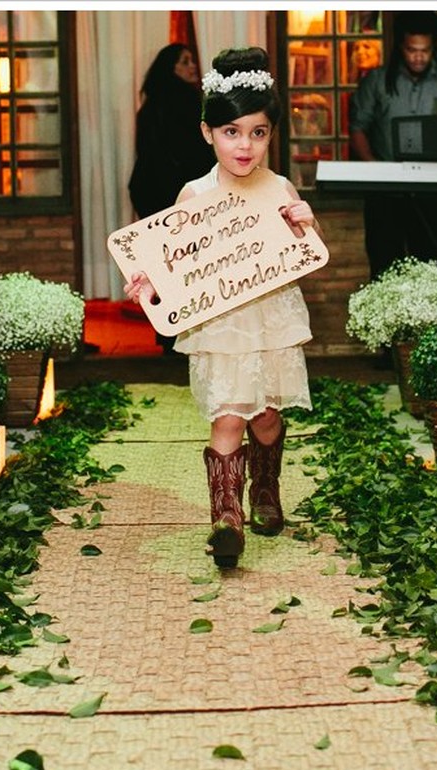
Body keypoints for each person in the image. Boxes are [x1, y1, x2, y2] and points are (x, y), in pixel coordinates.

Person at [122, 47, 320, 569]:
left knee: (267, 419)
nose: (245, 145)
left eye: (257, 132)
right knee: (229, 417)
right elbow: (173, 262)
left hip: (271, 319)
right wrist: (148, 281)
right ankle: (226, 519)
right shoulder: (194, 193)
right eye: (231, 132)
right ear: (208, 133)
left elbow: (307, 254)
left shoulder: (279, 187)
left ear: (271, 134)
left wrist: (306, 221)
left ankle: (266, 491)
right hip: (223, 325)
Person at [350, 11, 437, 276]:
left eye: (425, 50)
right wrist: (374, 167)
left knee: (431, 269)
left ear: (434, 46)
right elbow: (357, 128)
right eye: (412, 50)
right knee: (383, 266)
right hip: (384, 193)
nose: (419, 57)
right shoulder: (377, 81)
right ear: (402, 46)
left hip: (431, 193)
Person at [128, 43, 216, 355]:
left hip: (156, 194)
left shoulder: (151, 107)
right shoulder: (189, 105)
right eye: (185, 62)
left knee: (165, 265)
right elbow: (196, 155)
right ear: (171, 68)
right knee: (190, 265)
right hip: (178, 196)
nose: (193, 66)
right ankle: (187, 332)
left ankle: (169, 334)